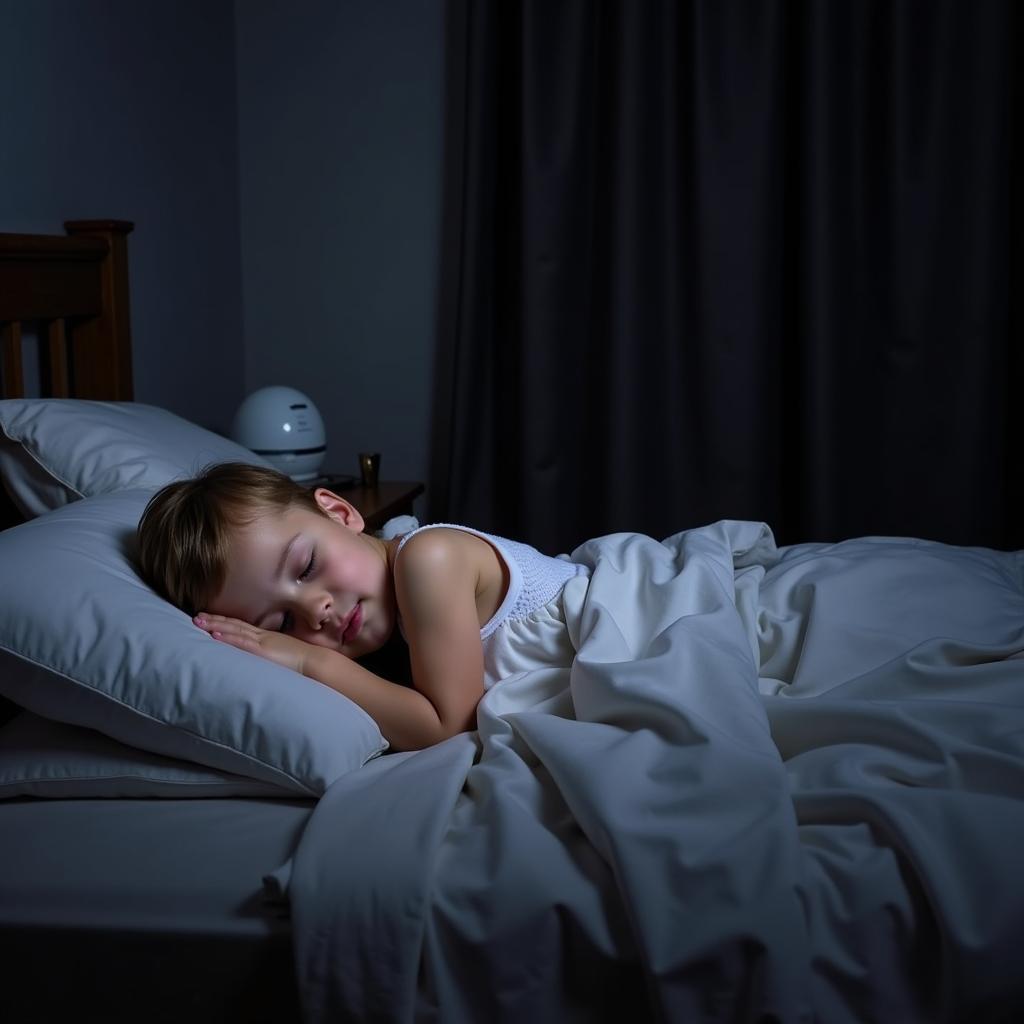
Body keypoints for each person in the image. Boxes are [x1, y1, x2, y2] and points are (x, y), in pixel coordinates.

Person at [136, 462, 585, 751]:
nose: (316, 611)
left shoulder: (428, 559)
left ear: (339, 512)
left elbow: (447, 727)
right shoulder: (389, 620)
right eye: (282, 622)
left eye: (306, 566)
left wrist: (306, 659)